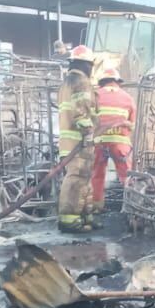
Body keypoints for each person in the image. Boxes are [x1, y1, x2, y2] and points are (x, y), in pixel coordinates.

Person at [56, 45, 98, 233]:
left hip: (69, 142)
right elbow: (81, 111)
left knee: (83, 180)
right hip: (79, 142)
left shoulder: (66, 83)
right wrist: (88, 132)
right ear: (86, 64)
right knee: (75, 180)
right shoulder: (81, 81)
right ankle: (69, 221)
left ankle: (85, 216)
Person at [89, 67, 135, 218]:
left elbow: (89, 120)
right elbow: (132, 125)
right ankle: (130, 207)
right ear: (118, 82)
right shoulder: (128, 98)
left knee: (97, 174)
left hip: (99, 142)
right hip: (120, 142)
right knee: (127, 176)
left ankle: (96, 207)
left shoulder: (94, 96)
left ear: (102, 82)